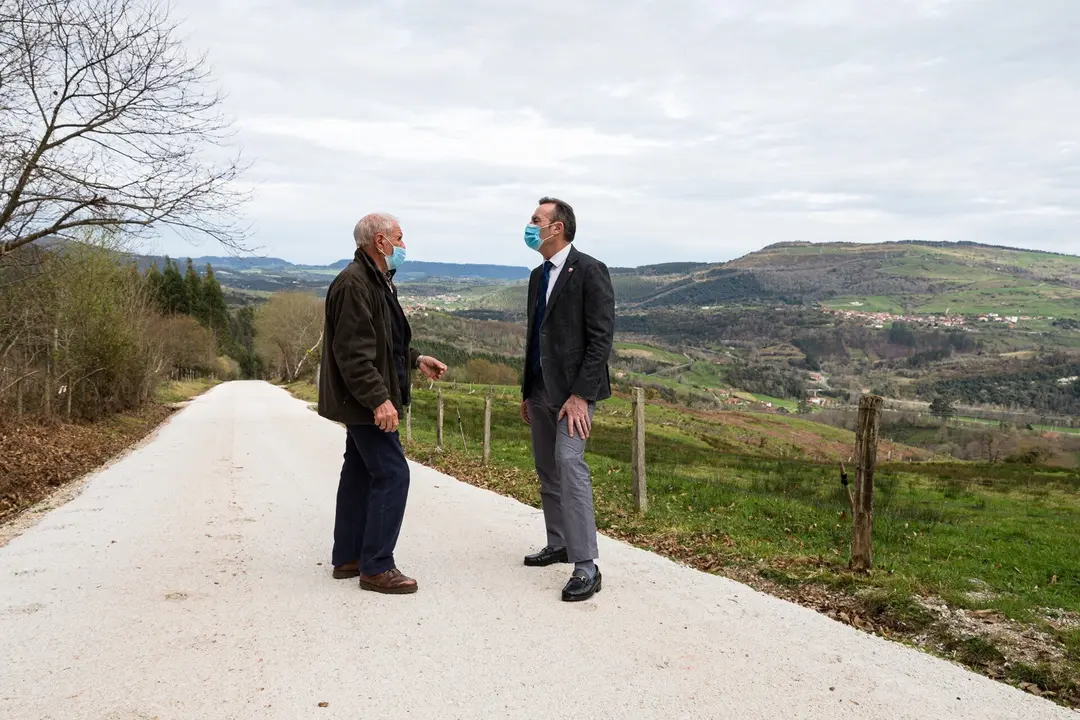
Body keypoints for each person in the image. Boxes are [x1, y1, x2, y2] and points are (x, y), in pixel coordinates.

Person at [317, 213, 446, 595]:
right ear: (379, 241)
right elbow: (354, 354)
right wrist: (379, 400)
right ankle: (377, 566)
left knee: (359, 473)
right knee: (393, 474)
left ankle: (349, 557)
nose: (404, 246)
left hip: (361, 398)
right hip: (362, 401)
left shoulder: (376, 281)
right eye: (400, 238)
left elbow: (385, 344)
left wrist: (416, 358)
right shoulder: (355, 284)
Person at [520, 197, 615, 602]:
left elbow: (600, 341)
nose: (529, 225)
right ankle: (558, 542)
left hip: (574, 393)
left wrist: (580, 396)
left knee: (569, 463)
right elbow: (534, 336)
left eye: (536, 219)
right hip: (541, 388)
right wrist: (526, 390)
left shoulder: (590, 271)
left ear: (556, 227)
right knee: (547, 467)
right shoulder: (537, 276)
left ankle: (586, 565)